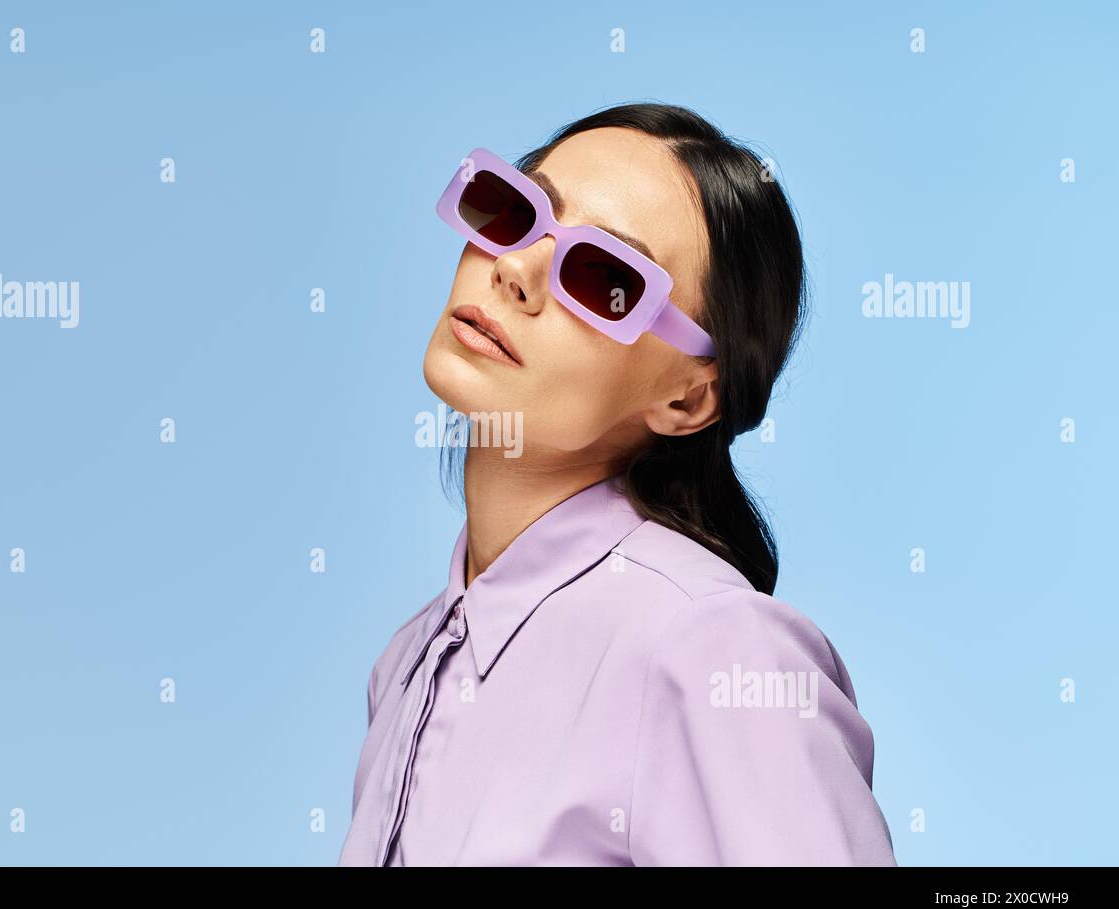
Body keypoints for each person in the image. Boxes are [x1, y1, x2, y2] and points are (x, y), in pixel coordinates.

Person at [339, 102, 896, 866]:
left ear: (688, 399)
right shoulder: (405, 666)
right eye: (513, 212)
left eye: (604, 278)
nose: (517, 269)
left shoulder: (715, 648)